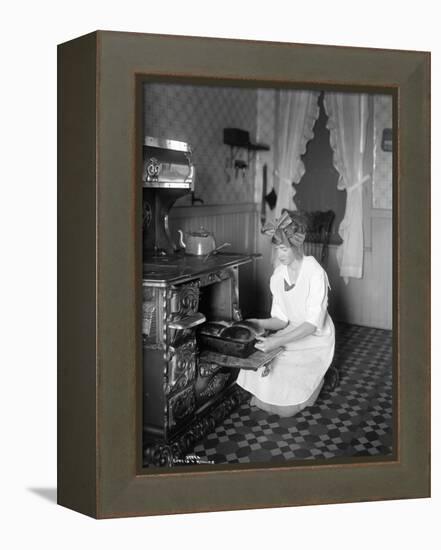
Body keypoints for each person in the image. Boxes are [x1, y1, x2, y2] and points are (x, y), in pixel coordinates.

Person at [236, 210, 335, 417]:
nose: (279, 255)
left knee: (287, 410)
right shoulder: (278, 275)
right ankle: (277, 392)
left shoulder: (315, 273)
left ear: (297, 246)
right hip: (291, 331)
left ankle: (319, 380)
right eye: (276, 249)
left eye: (283, 249)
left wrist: (274, 343)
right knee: (260, 363)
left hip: (315, 337)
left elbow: (311, 325)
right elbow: (281, 320)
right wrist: (257, 323)